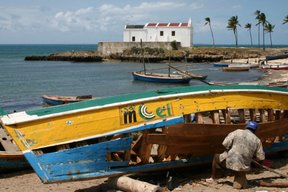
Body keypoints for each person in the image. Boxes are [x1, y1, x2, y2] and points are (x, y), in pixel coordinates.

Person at [206, 121, 265, 189]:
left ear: (246, 127)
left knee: (216, 157)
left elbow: (225, 143)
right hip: (245, 167)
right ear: (255, 130)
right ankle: (239, 177)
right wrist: (250, 158)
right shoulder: (257, 140)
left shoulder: (237, 132)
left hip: (231, 163)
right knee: (240, 172)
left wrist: (230, 149)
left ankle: (213, 178)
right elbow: (261, 158)